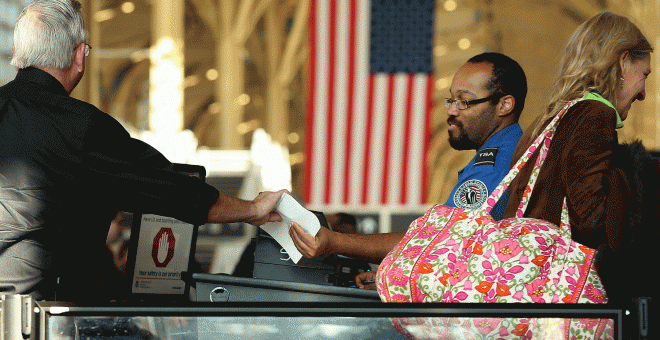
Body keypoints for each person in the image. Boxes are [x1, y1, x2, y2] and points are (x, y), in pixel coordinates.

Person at [0, 0, 285, 301]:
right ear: (80, 56)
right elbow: (174, 192)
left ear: (17, 53)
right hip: (45, 321)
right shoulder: (84, 128)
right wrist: (252, 210)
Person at [289, 52, 528, 288]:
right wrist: (394, 279)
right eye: (451, 100)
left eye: (464, 101)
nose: (452, 110)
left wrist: (334, 241)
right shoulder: (508, 151)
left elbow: (440, 241)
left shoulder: (497, 162)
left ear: (504, 105)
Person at [501, 12, 654, 307]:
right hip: (561, 295)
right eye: (644, 74)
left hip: (524, 286)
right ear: (623, 61)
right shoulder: (594, 115)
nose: (643, 93)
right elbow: (589, 219)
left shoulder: (544, 121)